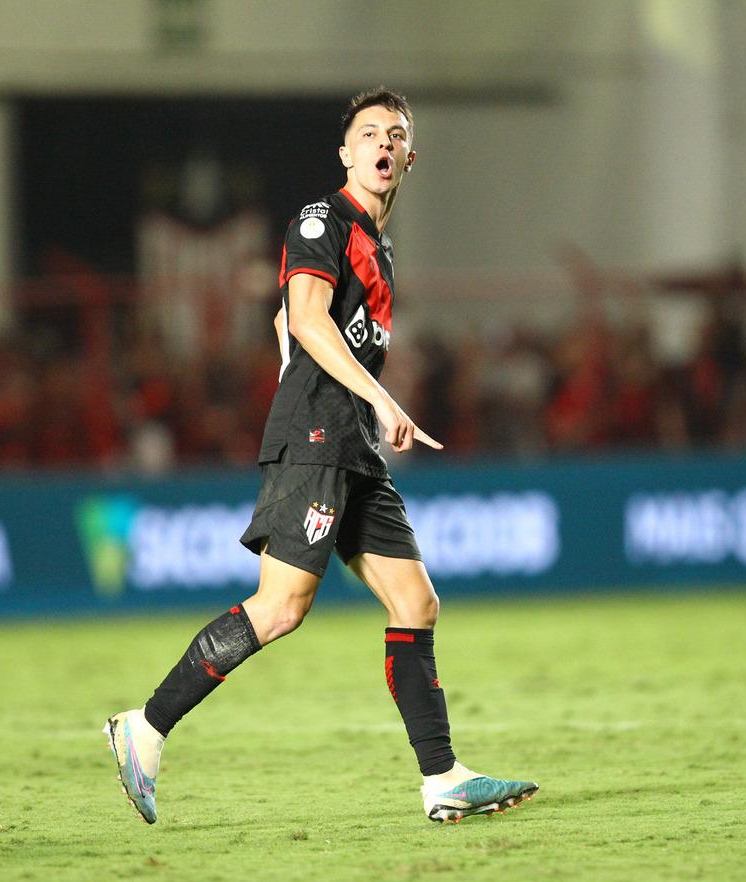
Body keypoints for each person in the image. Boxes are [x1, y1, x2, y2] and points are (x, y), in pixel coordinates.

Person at [105, 87, 537, 825]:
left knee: (416, 601)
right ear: (346, 152)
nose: (383, 143)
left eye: (396, 135)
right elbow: (304, 316)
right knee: (279, 609)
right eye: (368, 132)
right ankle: (143, 728)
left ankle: (442, 779)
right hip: (319, 438)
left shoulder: (380, 241)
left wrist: (320, 382)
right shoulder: (322, 218)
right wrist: (375, 397)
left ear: (408, 157)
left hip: (352, 445)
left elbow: (285, 319)